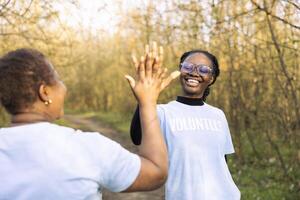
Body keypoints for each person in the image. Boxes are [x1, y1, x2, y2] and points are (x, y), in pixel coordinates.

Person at [0, 44, 180, 199]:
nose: (64, 86)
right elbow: (156, 171)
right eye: (58, 79)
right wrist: (148, 102)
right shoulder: (86, 148)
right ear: (44, 92)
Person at [130, 49, 241, 200]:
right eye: (188, 67)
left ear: (211, 78)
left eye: (203, 69)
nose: (194, 73)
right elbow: (137, 137)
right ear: (181, 70)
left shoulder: (218, 115)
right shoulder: (163, 112)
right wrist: (146, 99)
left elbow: (221, 161)